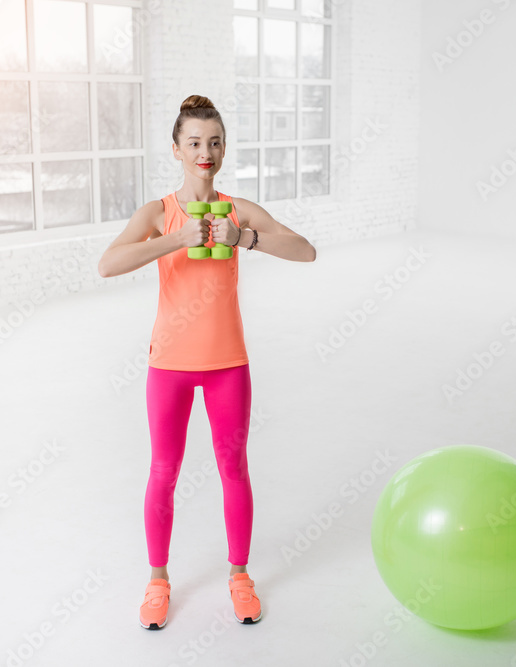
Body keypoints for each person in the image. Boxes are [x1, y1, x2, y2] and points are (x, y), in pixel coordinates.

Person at [98, 94, 317, 630]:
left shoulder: (236, 209)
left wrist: (244, 238)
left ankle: (240, 576)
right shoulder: (157, 213)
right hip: (169, 364)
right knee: (163, 472)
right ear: (176, 149)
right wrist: (175, 238)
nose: (205, 152)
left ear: (223, 150)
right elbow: (108, 264)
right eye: (194, 143)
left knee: (233, 468)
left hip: (227, 364)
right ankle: (158, 580)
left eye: (214, 142)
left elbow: (305, 249)